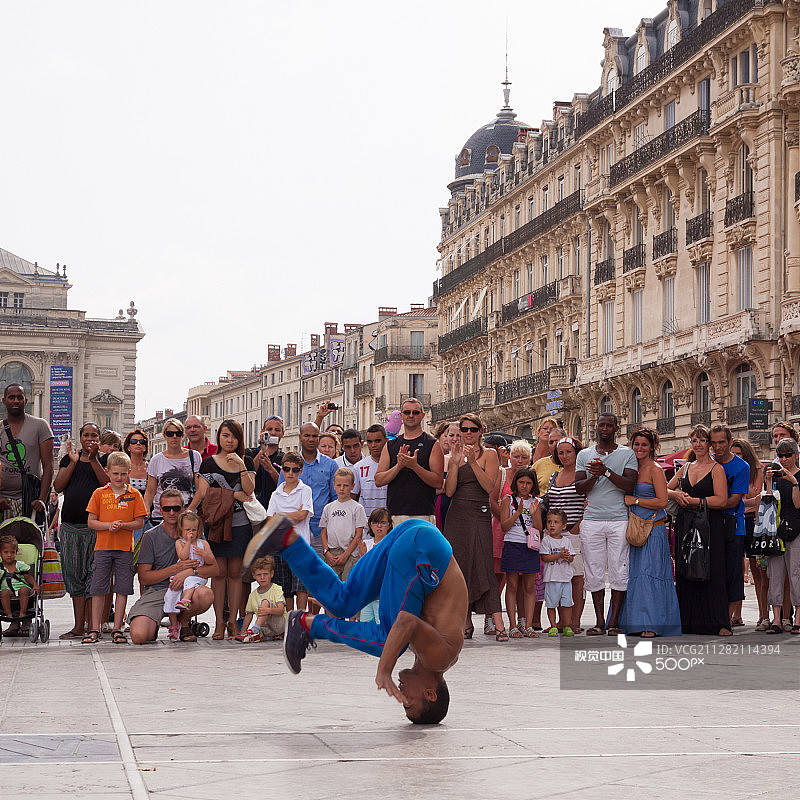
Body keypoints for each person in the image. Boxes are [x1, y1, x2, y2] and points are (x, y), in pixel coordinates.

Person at [244, 515, 468, 725]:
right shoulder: (440, 658)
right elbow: (405, 621)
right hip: (422, 549)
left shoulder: (431, 652)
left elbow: (414, 601)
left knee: (343, 601)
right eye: (409, 702)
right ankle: (310, 626)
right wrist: (384, 670)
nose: (402, 696)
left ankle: (287, 541)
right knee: (390, 642)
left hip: (416, 535)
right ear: (430, 693)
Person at [188, 419, 255, 640]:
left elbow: (250, 491)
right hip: (216, 524)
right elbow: (205, 493)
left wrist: (242, 466)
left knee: (235, 574)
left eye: (233, 436)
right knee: (219, 574)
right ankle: (218, 624)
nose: (229, 440)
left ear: (239, 439)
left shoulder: (246, 461)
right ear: (219, 437)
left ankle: (233, 623)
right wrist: (234, 495)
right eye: (225, 435)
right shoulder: (208, 463)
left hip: (240, 524)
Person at [575, 413, 638, 636]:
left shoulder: (627, 454)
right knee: (594, 571)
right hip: (592, 519)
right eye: (601, 425)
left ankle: (614, 621)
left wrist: (607, 472)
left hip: (619, 520)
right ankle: (599, 622)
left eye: (609, 425)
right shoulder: (584, 454)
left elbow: (630, 486)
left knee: (620, 569)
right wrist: (594, 476)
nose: (604, 429)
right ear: (595, 427)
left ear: (616, 428)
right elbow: (579, 488)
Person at [443, 413, 504, 641]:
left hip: (479, 513)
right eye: (464, 430)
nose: (468, 433)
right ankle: (466, 623)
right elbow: (449, 491)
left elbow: (489, 487)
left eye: (472, 429)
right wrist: (455, 463)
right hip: (457, 515)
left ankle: (498, 623)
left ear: (480, 431)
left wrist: (472, 462)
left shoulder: (489, 454)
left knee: (484, 566)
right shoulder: (454, 455)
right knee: (460, 568)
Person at [128, 489, 217, 644]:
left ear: (182, 508)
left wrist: (190, 571)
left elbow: (215, 569)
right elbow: (144, 577)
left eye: (176, 508)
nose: (171, 512)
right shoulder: (151, 536)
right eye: (166, 508)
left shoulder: (193, 533)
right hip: (157, 591)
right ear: (159, 509)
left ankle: (182, 622)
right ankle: (155, 622)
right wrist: (177, 569)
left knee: (206, 594)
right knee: (139, 636)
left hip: (186, 590)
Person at [667, 425, 731, 636]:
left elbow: (721, 501)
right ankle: (687, 621)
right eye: (694, 440)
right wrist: (675, 495)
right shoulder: (685, 468)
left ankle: (718, 623)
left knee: (711, 569)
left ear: (709, 444)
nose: (698, 444)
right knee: (686, 568)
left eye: (702, 440)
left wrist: (694, 500)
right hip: (686, 523)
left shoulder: (717, 469)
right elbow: (665, 487)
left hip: (710, 525)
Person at [619, 428, 681, 638]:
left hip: (653, 531)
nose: (639, 448)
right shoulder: (630, 468)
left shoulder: (655, 469)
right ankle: (633, 622)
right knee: (635, 575)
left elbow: (663, 501)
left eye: (644, 445)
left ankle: (652, 624)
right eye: (636, 444)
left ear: (652, 447)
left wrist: (635, 500)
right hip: (634, 530)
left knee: (650, 574)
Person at [83, 452, 147, 644]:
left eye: (123, 474)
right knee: (98, 588)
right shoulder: (99, 493)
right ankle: (95, 627)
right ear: (107, 472)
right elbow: (91, 522)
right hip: (102, 548)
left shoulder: (134, 495)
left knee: (122, 588)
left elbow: (139, 523)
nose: (119, 478)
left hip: (125, 548)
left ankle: (117, 628)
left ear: (129, 473)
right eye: (115, 474)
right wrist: (108, 526)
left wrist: (124, 526)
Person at [54, 422, 107, 639]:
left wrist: (93, 459)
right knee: (74, 576)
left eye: (94, 435)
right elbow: (58, 486)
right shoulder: (70, 459)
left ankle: (91, 625)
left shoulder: (103, 461)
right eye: (86, 435)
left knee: (92, 576)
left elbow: (107, 485)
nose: (90, 439)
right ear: (80, 438)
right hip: (70, 527)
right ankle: (78, 626)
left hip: (95, 528)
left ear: (99, 440)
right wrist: (74, 462)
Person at [375, 398, 444, 525]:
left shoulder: (432, 444)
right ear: (401, 416)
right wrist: (399, 466)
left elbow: (438, 482)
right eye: (407, 412)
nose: (411, 415)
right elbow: (378, 480)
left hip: (423, 514)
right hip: (395, 514)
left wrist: (414, 466)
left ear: (422, 416)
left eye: (415, 412)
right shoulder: (390, 445)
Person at [488, 438, 531, 635]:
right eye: (516, 456)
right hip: (501, 530)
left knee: (521, 580)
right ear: (509, 456)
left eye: (524, 457)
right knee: (497, 578)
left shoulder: (530, 476)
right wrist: (506, 519)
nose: (519, 460)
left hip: (523, 534)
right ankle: (491, 619)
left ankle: (522, 621)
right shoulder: (502, 473)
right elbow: (492, 499)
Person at [709, 423, 749, 625]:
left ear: (730, 442)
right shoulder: (707, 462)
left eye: (722, 442)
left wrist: (706, 503)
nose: (717, 447)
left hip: (733, 524)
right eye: (714, 443)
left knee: (732, 573)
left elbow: (733, 500)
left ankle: (727, 618)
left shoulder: (742, 467)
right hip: (709, 523)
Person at [545, 436, 586, 633]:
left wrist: (577, 525)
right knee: (560, 578)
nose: (564, 456)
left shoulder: (582, 475)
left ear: (577, 452)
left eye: (568, 451)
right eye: (560, 452)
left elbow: (589, 502)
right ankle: (561, 622)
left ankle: (574, 621)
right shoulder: (555, 476)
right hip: (556, 535)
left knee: (577, 578)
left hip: (575, 534)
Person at [266, 452, 314, 611]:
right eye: (287, 469)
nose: (290, 473)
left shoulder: (305, 490)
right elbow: (270, 522)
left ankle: (299, 620)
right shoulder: (276, 493)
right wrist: (290, 516)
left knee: (301, 586)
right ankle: (288, 622)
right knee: (285, 588)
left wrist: (280, 515)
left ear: (301, 471)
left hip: (300, 546)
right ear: (282, 470)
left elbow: (302, 515)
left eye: (295, 470)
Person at [282, 423, 338, 560]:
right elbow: (282, 494)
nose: (311, 439)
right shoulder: (290, 466)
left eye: (314, 436)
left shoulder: (330, 465)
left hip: (321, 530)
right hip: (296, 529)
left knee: (320, 572)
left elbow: (336, 498)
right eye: (307, 435)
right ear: (300, 437)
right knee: (297, 574)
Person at [0, 383, 54, 522]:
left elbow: (48, 465)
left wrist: (42, 499)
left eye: (20, 397)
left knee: (28, 543)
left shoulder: (40, 426)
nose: (16, 401)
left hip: (30, 502)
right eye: (11, 397)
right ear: (4, 401)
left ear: (26, 400)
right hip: (2, 503)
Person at [499, 466, 541, 638]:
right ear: (516, 482)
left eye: (528, 483)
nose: (524, 486)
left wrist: (534, 514)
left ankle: (528, 625)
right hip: (512, 544)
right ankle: (513, 625)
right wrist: (517, 513)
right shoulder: (508, 500)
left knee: (529, 586)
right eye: (521, 482)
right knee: (513, 585)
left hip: (529, 546)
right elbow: (504, 526)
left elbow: (539, 528)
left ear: (533, 485)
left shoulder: (536, 502)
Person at [765, 437, 800, 634]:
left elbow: (797, 505)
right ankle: (776, 619)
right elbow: (769, 502)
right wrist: (769, 482)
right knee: (775, 575)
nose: (784, 459)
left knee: (796, 574)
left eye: (788, 455)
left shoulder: (798, 476)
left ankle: (797, 619)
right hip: (775, 531)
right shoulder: (776, 476)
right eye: (780, 455)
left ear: (796, 455)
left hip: (796, 529)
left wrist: (795, 483)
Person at [163, 511, 216, 641]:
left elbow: (211, 562)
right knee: (170, 594)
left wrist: (204, 554)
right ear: (181, 530)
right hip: (180, 576)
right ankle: (174, 624)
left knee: (190, 580)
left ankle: (186, 600)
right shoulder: (180, 543)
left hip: (197, 577)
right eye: (187, 530)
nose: (191, 533)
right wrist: (187, 542)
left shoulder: (203, 544)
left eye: (193, 530)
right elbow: (183, 556)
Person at [730, 438, 765, 628]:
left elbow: (756, 496)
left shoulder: (756, 469)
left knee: (756, 569)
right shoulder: (729, 468)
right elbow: (748, 497)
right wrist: (747, 499)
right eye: (732, 453)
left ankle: (762, 614)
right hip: (736, 520)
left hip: (752, 521)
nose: (735, 457)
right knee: (735, 568)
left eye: (739, 454)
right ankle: (737, 614)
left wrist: (741, 499)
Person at [144, 418, 199, 524]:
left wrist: (190, 510)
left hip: (186, 517)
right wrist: (146, 510)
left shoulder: (194, 456)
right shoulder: (156, 460)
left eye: (178, 433)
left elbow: (200, 490)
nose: (174, 437)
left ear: (182, 435)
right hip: (161, 517)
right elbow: (150, 491)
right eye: (170, 433)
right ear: (164, 435)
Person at [320, 468, 367, 581]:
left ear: (352, 486)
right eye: (339, 485)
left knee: (348, 586)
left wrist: (346, 554)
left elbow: (358, 534)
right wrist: (326, 552)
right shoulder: (328, 508)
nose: (342, 489)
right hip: (332, 552)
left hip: (350, 554)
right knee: (332, 587)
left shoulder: (357, 508)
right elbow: (323, 532)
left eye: (346, 485)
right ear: (334, 485)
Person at [539, 509, 576, 636]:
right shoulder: (546, 541)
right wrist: (559, 555)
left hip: (565, 579)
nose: (552, 525)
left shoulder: (566, 541)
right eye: (549, 522)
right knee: (551, 603)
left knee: (567, 604)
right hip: (551, 578)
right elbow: (545, 558)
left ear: (563, 526)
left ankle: (566, 625)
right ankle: (553, 625)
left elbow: (572, 558)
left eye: (556, 522)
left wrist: (567, 557)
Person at [236, 555, 286, 642]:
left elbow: (281, 610)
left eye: (265, 574)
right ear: (254, 576)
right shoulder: (253, 595)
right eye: (259, 575)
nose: (262, 577)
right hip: (265, 627)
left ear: (272, 574)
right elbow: (249, 615)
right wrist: (242, 634)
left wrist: (268, 610)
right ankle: (269, 637)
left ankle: (255, 631)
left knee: (265, 602)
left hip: (279, 624)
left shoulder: (277, 589)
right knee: (255, 636)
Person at [358, 508, 392, 623]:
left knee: (382, 628)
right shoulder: (366, 544)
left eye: (383, 523)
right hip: (367, 597)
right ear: (370, 525)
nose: (379, 526)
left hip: (383, 598)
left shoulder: (391, 545)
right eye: (375, 523)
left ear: (389, 525)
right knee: (366, 628)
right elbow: (363, 572)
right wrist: (363, 556)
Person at [0, 533, 38, 627]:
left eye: (12, 552)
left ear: (16, 553)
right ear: (0, 553)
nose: (9, 555)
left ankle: (23, 613)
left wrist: (35, 585)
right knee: (4, 593)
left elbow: (28, 577)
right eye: (6, 552)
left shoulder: (20, 564)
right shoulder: (0, 567)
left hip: (21, 587)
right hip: (8, 590)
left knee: (24, 590)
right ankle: (9, 615)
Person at [354, 425, 388, 520]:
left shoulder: (395, 465)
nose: (373, 445)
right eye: (370, 442)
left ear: (386, 440)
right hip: (366, 524)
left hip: (390, 523)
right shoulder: (358, 467)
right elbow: (353, 497)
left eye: (377, 441)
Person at [533, 427, 564, 497]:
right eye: (551, 442)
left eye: (557, 441)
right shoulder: (538, 465)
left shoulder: (575, 465)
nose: (554, 445)